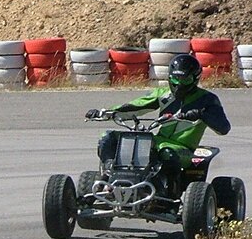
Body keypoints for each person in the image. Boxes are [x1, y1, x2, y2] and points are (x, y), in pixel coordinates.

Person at [89, 53, 230, 193]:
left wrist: (203, 114)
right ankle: (108, 172)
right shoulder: (163, 94)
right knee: (108, 137)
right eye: (175, 79)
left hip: (183, 149)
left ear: (195, 79)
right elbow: (135, 106)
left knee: (167, 153)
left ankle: (170, 194)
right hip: (157, 141)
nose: (179, 84)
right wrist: (106, 112)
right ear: (169, 77)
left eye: (185, 80)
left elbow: (223, 128)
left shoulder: (208, 100)